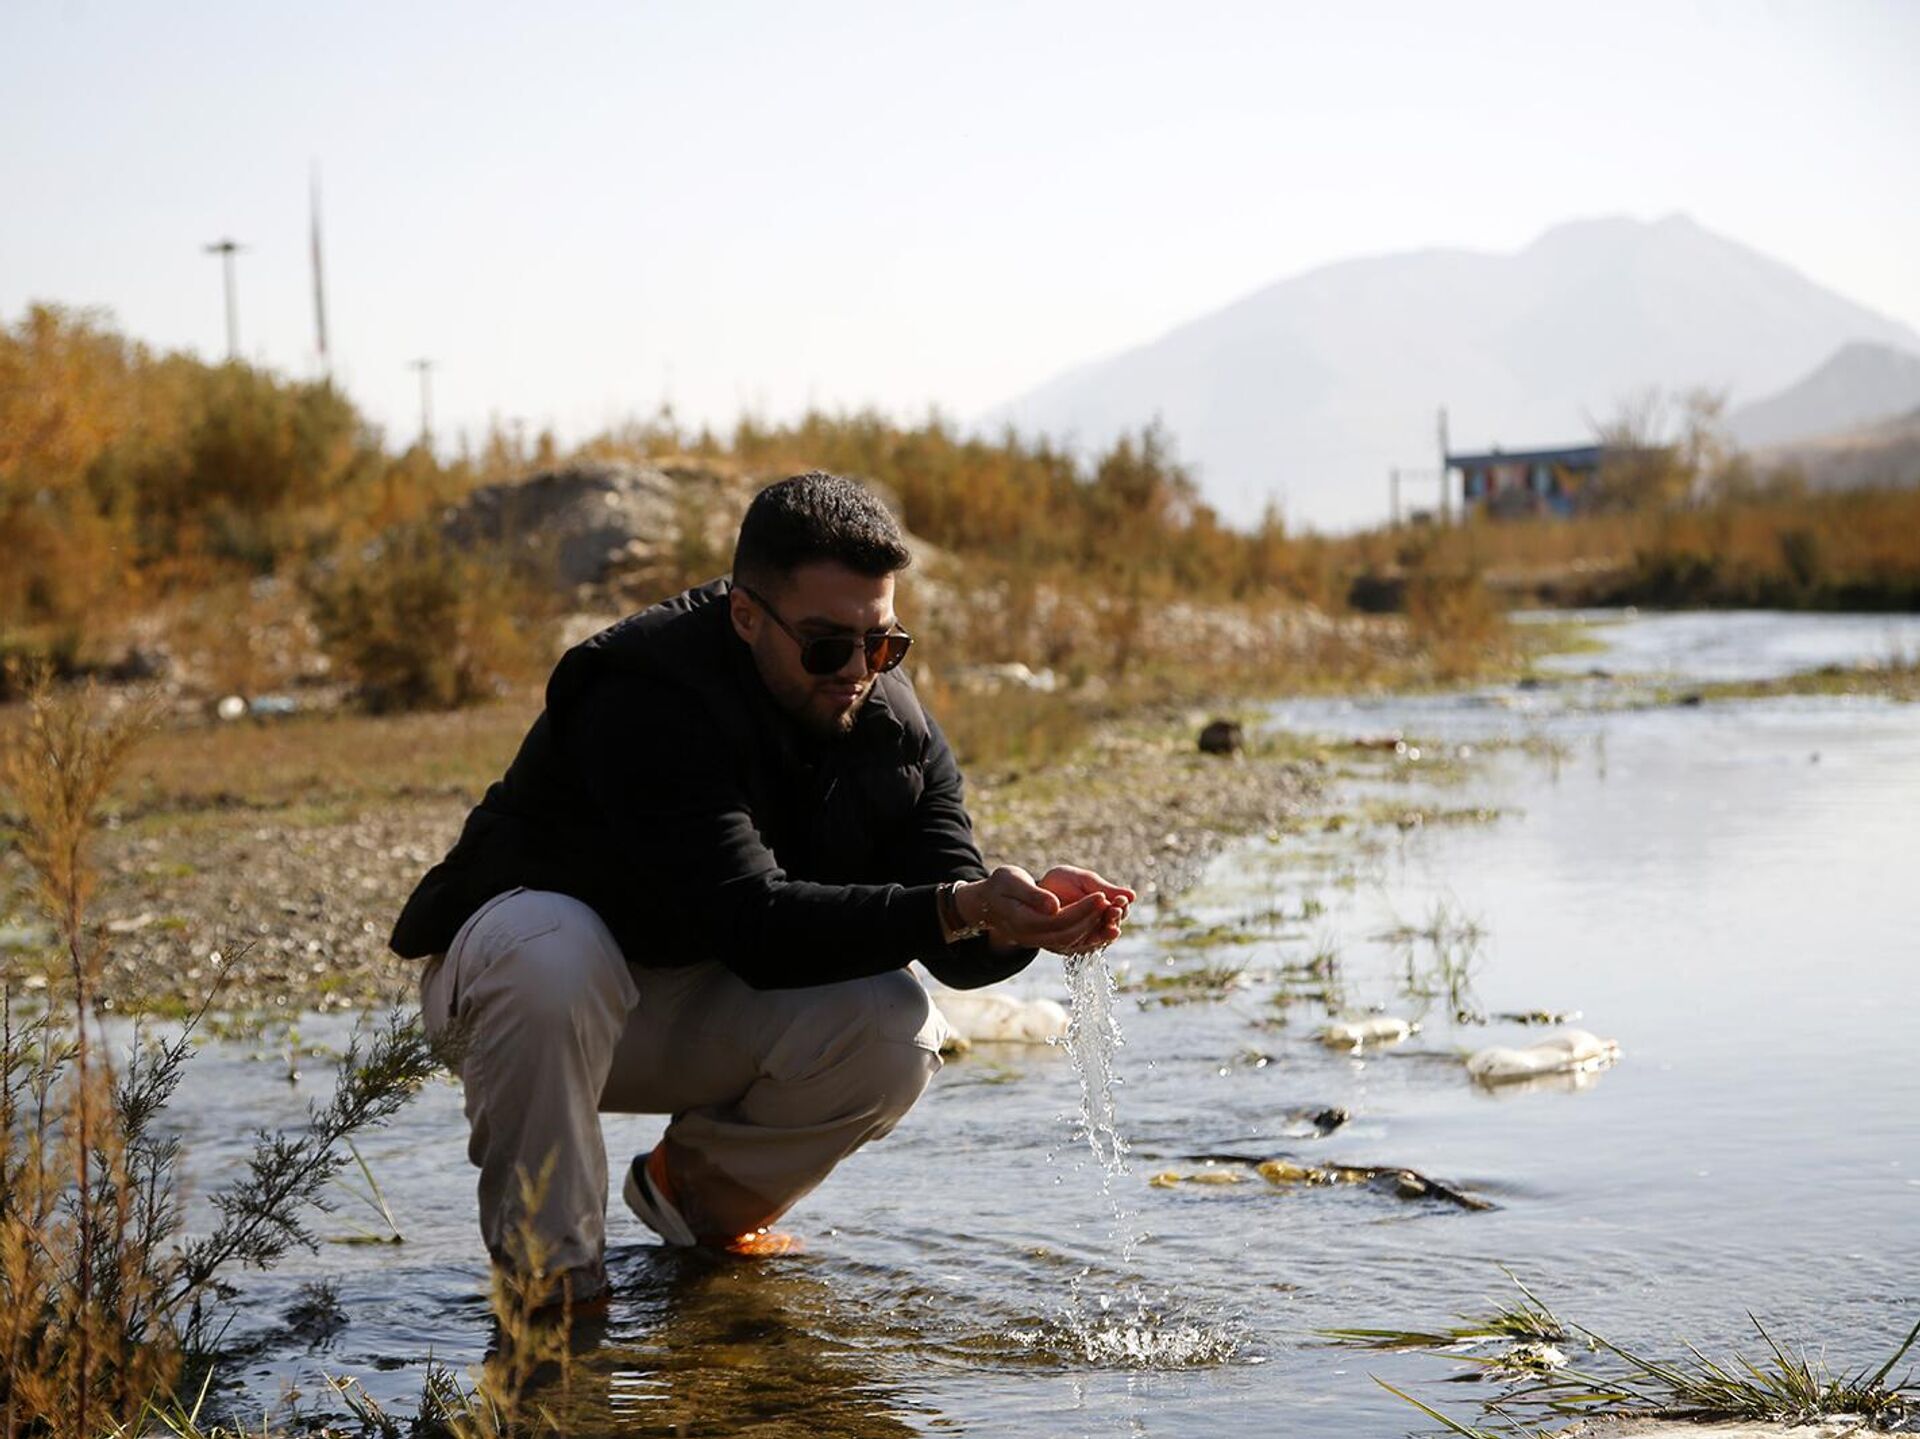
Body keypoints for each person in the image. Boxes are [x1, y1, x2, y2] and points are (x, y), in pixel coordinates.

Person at [391, 471, 1133, 1305]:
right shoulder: (643, 692)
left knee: (894, 1024)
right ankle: (553, 1287)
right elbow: (751, 920)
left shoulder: (893, 724)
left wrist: (1016, 918)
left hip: (686, 998)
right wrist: (958, 906)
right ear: (746, 614)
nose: (857, 670)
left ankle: (694, 1195)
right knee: (555, 953)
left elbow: (947, 918)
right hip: (515, 994)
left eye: (882, 643)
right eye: (826, 645)